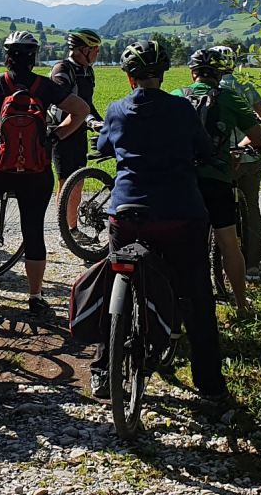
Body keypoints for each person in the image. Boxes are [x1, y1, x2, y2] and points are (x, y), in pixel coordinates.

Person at [90, 40, 227, 404]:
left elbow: (104, 147)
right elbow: (204, 149)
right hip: (179, 214)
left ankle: (103, 370)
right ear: (163, 75)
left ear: (129, 78)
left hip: (127, 214)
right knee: (197, 296)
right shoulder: (182, 109)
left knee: (113, 282)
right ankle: (210, 386)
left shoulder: (117, 110)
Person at [0, 31, 91, 320]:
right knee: (33, 231)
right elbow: (80, 110)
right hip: (36, 169)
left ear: (7, 57)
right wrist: (55, 136)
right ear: (34, 58)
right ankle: (35, 296)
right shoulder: (44, 86)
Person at [174, 47, 261, 315]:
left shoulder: (177, 97)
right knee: (228, 243)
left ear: (193, 73)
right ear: (220, 72)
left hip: (183, 182)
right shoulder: (229, 98)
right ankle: (240, 304)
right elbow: (259, 135)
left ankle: (181, 305)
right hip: (217, 179)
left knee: (183, 242)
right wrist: (237, 150)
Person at [215, 46, 261, 276]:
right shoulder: (246, 87)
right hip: (249, 156)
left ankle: (217, 260)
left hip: (220, 158)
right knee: (252, 207)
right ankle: (253, 266)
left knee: (216, 206)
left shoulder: (213, 89)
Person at [50, 29, 104, 227]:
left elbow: (86, 103)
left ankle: (72, 229)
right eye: (95, 49)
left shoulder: (87, 71)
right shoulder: (62, 70)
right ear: (83, 50)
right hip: (63, 132)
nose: (98, 53)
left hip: (79, 132)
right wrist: (89, 120)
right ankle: (65, 230)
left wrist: (101, 121)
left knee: (78, 184)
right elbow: (65, 103)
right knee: (65, 184)